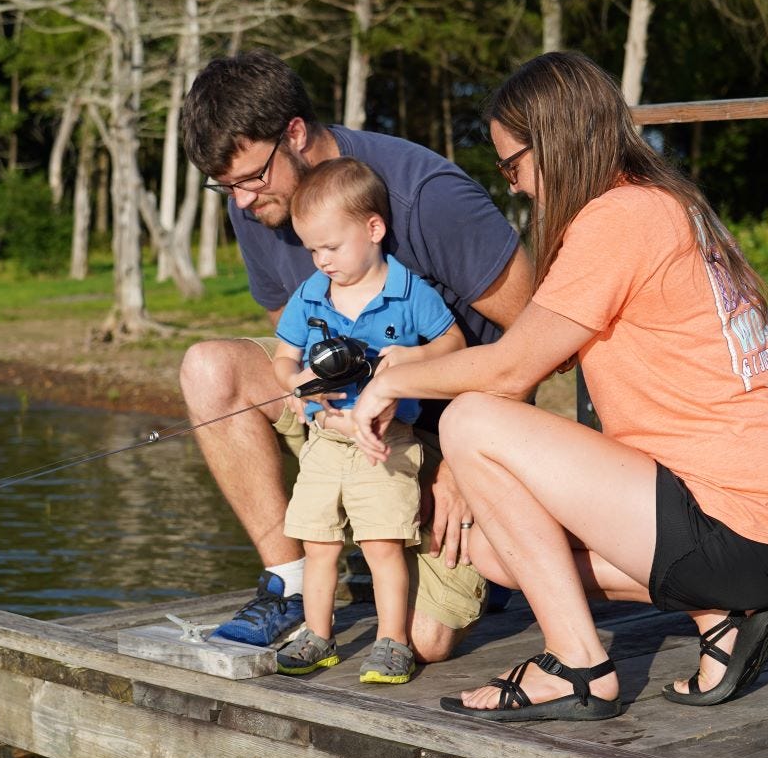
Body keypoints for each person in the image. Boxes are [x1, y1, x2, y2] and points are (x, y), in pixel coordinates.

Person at [349, 51, 768, 719]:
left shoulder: (619, 218)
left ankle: (577, 666)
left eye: (512, 166)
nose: (514, 187)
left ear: (553, 144)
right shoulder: (666, 204)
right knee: (495, 551)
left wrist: (393, 379)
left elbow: (512, 367)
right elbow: (542, 353)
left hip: (743, 524)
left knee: (469, 423)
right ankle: (721, 614)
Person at [179, 50, 534, 660]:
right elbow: (294, 335)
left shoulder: (424, 195)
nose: (239, 201)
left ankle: (468, 549)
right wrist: (317, 406)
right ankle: (291, 584)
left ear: (294, 133)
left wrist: (461, 469)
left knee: (428, 642)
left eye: (249, 179)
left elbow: (537, 336)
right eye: (225, 186)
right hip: (353, 426)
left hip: (458, 425)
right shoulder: (257, 204)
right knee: (208, 368)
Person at [269, 159, 466, 683]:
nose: (321, 260)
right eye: (312, 249)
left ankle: (391, 642)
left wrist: (409, 358)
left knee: (382, 543)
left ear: (374, 229)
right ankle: (318, 634)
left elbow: (453, 344)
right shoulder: (310, 293)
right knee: (318, 542)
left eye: (331, 247)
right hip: (325, 439)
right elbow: (282, 356)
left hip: (388, 440)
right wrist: (292, 381)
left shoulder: (411, 292)